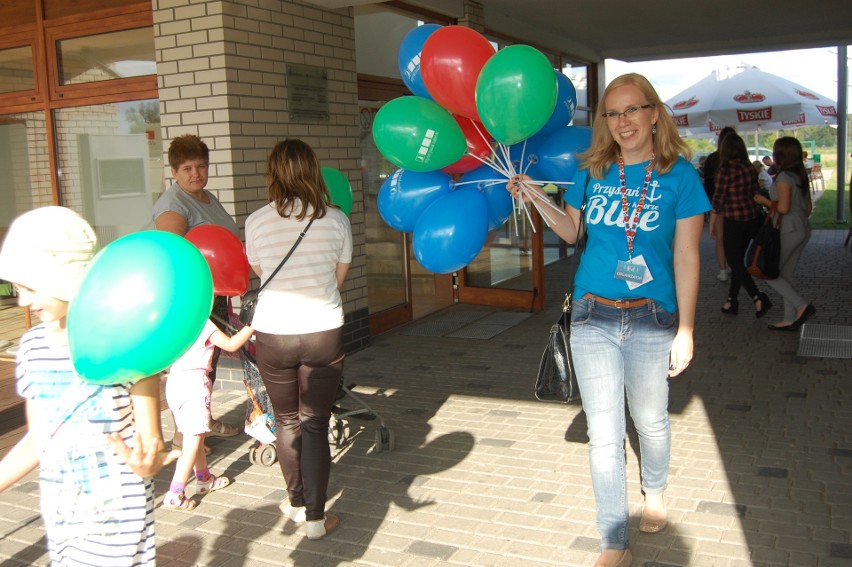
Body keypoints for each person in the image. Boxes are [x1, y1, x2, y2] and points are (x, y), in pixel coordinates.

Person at [509, 73, 710, 567]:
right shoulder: (594, 170)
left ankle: (655, 489)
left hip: (652, 315)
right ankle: (613, 539)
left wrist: (686, 328)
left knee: (650, 419)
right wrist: (535, 195)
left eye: (632, 110)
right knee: (605, 430)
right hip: (592, 314)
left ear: (653, 113)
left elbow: (687, 256)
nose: (623, 122)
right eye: (613, 114)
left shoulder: (680, 176)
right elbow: (571, 229)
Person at [0, 206, 178, 566]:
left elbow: (150, 441)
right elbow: (40, 437)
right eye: (16, 289)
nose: (22, 301)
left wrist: (148, 463)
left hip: (116, 514)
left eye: (30, 288)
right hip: (60, 507)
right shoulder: (32, 348)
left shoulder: (127, 345)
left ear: (63, 278)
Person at [245, 139, 352, 540]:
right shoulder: (336, 220)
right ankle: (316, 521)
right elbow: (337, 279)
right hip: (323, 328)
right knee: (315, 423)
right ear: (313, 171)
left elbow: (261, 273)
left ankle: (295, 504)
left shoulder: (256, 221)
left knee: (287, 421)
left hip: (275, 332)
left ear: (273, 175)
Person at [153, 134, 241, 448]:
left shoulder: (206, 197)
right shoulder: (173, 204)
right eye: (187, 168)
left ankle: (203, 421)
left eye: (201, 166)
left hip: (214, 294)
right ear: (174, 171)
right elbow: (175, 253)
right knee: (191, 366)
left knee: (208, 363)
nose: (196, 173)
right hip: (192, 298)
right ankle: (183, 435)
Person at [163, 317, 255, 510]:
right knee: (191, 444)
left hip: (175, 382)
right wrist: (252, 325)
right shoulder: (202, 323)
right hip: (194, 385)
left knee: (196, 436)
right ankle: (175, 494)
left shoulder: (174, 322)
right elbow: (231, 344)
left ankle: (204, 479)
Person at [754, 137, 815, 331]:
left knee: (768, 273)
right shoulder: (800, 176)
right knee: (785, 274)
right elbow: (808, 207)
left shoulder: (783, 178)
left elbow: (783, 207)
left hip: (788, 229)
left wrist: (763, 201)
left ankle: (801, 306)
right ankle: (790, 318)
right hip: (802, 227)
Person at [709, 133, 772, 317]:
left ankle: (757, 296)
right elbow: (755, 192)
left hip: (734, 221)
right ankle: (731, 300)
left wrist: (712, 223)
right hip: (752, 219)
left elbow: (718, 199)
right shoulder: (749, 167)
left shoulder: (724, 170)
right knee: (738, 261)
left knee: (734, 261)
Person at [703, 127, 737, 283]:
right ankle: (735, 266)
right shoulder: (741, 162)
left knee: (720, 239)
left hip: (718, 207)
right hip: (738, 207)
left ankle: (723, 270)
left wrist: (711, 208)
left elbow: (708, 186)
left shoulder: (712, 159)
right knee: (735, 239)